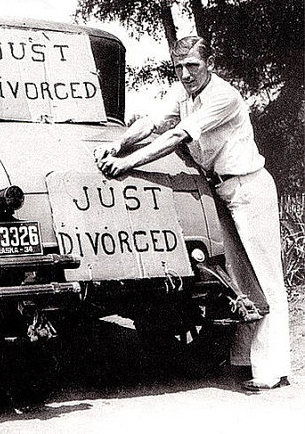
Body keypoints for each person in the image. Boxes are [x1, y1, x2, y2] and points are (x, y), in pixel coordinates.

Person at [95, 36, 291, 391]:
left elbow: (176, 137)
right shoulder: (181, 92)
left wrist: (127, 163)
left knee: (266, 279)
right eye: (179, 66)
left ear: (208, 64)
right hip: (218, 188)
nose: (185, 74)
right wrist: (117, 142)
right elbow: (153, 123)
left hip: (247, 186)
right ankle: (244, 360)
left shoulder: (223, 96)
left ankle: (272, 371)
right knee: (240, 279)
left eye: (193, 66)